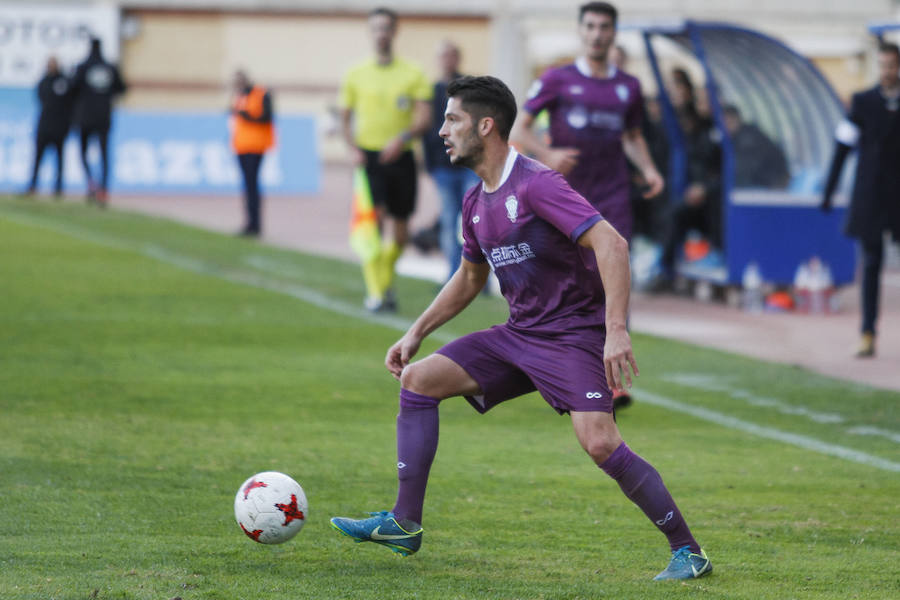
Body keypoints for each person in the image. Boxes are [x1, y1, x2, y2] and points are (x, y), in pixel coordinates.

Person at [330, 75, 713, 582]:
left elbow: (612, 245)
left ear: (485, 126)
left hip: (572, 335)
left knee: (599, 442)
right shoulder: (475, 202)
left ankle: (689, 552)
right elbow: (469, 278)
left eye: (452, 120)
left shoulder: (537, 184)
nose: (442, 131)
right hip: (519, 336)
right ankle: (404, 522)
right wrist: (416, 331)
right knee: (418, 380)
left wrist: (615, 329)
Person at [510, 1, 664, 410]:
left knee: (615, 281)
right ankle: (554, 367)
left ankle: (614, 381)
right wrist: (547, 153)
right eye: (591, 26)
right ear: (581, 31)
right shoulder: (557, 79)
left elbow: (632, 136)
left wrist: (649, 169)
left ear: (614, 33)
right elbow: (520, 127)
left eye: (604, 27)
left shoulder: (628, 87)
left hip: (612, 197)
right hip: (564, 200)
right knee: (564, 286)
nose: (597, 34)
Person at [339, 7, 432, 312]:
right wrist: (352, 148)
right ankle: (377, 293)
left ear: (395, 31)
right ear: (370, 32)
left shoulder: (413, 72)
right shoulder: (356, 73)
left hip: (402, 157)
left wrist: (403, 138)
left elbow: (424, 116)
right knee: (372, 225)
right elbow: (344, 117)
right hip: (369, 158)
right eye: (376, 28)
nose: (381, 33)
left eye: (386, 28)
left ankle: (386, 280)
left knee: (401, 232)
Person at [822, 42, 900, 358]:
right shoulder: (862, 103)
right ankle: (868, 332)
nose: (887, 71)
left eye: (891, 65)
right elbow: (842, 148)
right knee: (871, 264)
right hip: (870, 195)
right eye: (882, 65)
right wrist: (828, 191)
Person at [422, 40, 481, 282]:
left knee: (473, 219)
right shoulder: (432, 90)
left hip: (468, 165)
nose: (448, 60)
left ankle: (478, 275)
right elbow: (428, 129)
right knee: (449, 219)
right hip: (442, 166)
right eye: (443, 55)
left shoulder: (469, 88)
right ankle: (454, 275)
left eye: (451, 55)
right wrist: (429, 164)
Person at [657, 106, 722, 284]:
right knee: (672, 214)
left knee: (717, 210)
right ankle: (665, 268)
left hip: (715, 200)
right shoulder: (685, 142)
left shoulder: (712, 141)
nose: (684, 126)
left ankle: (717, 253)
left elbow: (725, 175)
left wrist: (705, 189)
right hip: (697, 199)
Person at [70, 37, 126, 206]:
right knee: (104, 153)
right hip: (104, 117)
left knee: (83, 152)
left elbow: (72, 88)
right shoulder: (110, 68)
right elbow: (122, 88)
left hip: (85, 117)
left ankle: (91, 182)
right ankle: (103, 188)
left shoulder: (82, 67)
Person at [230, 69, 275, 237]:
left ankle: (255, 224)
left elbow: (267, 117)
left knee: (252, 185)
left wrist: (246, 115)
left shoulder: (261, 94)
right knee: (247, 185)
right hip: (241, 146)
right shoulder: (239, 96)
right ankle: (249, 223)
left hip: (256, 146)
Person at [24, 56, 73, 198]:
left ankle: (58, 188)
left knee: (59, 159)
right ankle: (33, 185)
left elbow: (69, 102)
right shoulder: (44, 82)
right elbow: (41, 98)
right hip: (44, 126)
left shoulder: (65, 82)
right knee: (38, 158)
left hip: (60, 127)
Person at [723, 104, 789, 189]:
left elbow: (745, 167)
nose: (724, 127)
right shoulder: (742, 135)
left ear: (735, 119)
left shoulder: (749, 137)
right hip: (767, 181)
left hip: (775, 182)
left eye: (727, 122)